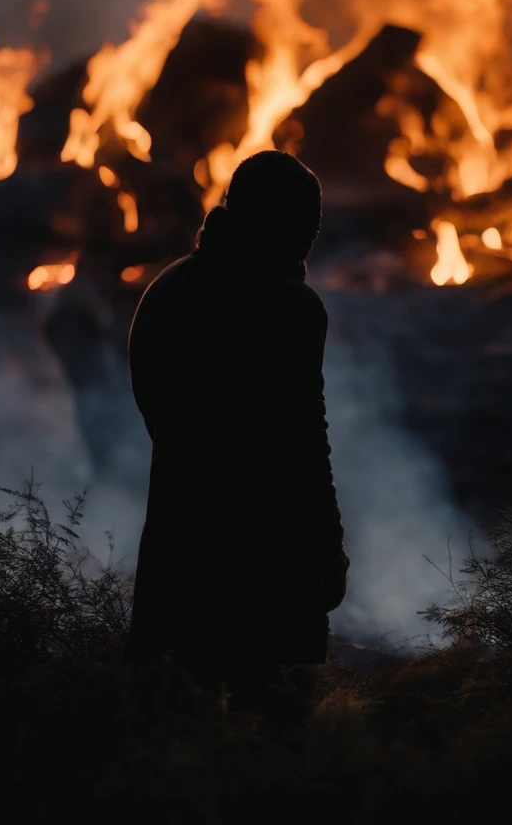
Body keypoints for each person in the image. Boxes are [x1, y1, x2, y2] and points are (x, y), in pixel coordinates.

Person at [124, 150, 348, 696]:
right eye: (307, 225)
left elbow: (152, 401)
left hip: (176, 541)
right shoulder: (291, 306)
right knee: (266, 729)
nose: (311, 240)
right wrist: (326, 546)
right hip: (265, 551)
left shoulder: (168, 289)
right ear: (287, 224)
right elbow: (304, 438)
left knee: (173, 722)